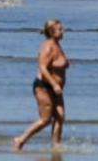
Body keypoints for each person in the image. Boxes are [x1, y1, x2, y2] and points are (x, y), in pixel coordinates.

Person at [13, 20, 68, 151]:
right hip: (44, 86)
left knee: (60, 116)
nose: (63, 31)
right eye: (60, 29)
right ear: (52, 32)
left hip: (55, 88)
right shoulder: (47, 47)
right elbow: (42, 68)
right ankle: (20, 140)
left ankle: (56, 147)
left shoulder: (57, 45)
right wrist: (54, 84)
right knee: (46, 119)